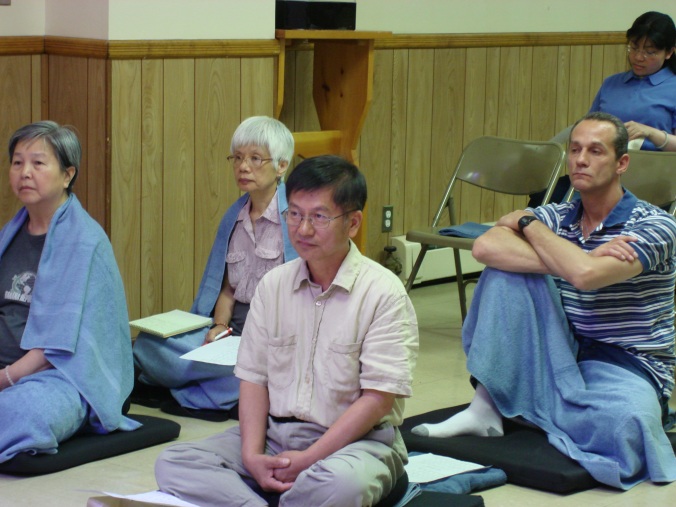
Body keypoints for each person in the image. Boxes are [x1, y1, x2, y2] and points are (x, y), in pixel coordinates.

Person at [412, 112, 676, 490]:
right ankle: (485, 408)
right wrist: (572, 252)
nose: (580, 160)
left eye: (595, 151)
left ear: (622, 163)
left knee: (627, 427)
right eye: (575, 150)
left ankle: (528, 407)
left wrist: (570, 258)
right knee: (504, 271)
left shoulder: (655, 225)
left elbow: (586, 277)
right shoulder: (555, 216)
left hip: (625, 362)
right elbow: (486, 246)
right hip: (561, 347)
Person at [153, 155, 419, 506]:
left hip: (357, 444)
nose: (303, 229)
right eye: (294, 214)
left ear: (353, 222)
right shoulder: (274, 285)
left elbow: (378, 398)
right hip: (275, 435)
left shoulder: (383, 292)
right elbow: (253, 378)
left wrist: (309, 459)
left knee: (341, 486)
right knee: (175, 462)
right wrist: (252, 456)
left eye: (319, 217)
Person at [132, 116, 298, 421]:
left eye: (255, 158)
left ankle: (192, 391)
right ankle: (218, 393)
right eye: (238, 158)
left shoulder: (295, 221)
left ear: (281, 166)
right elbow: (227, 288)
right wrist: (219, 326)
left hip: (273, 337)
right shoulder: (234, 218)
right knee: (148, 346)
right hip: (233, 331)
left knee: (267, 369)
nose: (243, 166)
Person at [0, 121, 139, 463]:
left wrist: (5, 378)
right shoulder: (9, 234)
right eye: (17, 162)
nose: (25, 172)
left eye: (38, 162)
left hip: (59, 377)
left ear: (67, 175)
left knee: (27, 411)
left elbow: (56, 347)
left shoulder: (84, 241)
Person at [532, 11, 676, 206]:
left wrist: (650, 133)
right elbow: (588, 127)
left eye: (650, 52)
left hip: (649, 180)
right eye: (633, 48)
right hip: (599, 172)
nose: (638, 57)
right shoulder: (612, 84)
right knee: (544, 197)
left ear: (669, 52)